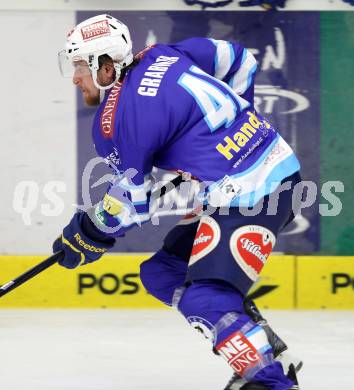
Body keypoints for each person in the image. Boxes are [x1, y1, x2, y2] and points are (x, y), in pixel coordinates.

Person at [55, 14, 302, 389]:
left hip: (257, 192)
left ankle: (270, 382)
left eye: (78, 67)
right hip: (260, 177)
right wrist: (240, 120)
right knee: (162, 274)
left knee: (203, 300)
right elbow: (238, 59)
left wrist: (88, 232)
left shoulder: (117, 121)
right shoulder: (164, 54)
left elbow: (133, 202)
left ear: (105, 68)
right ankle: (261, 344)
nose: (75, 79)